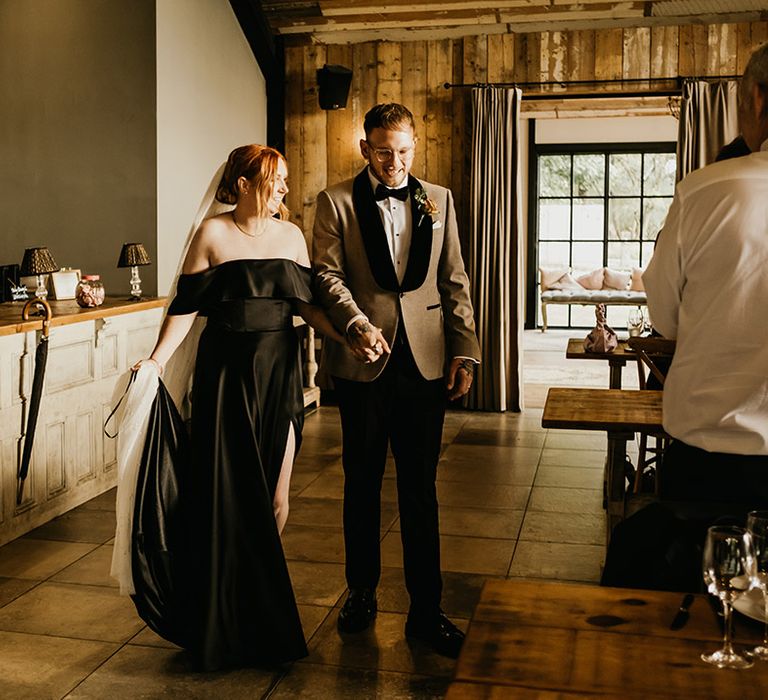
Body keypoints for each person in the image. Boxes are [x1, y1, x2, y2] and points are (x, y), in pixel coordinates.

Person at [129, 144, 344, 670]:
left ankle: (254, 611)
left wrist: (350, 335)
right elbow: (184, 309)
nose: (285, 189)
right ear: (244, 183)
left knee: (275, 498)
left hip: (279, 378)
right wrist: (156, 362)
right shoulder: (213, 234)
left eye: (287, 180)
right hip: (225, 379)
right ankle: (226, 625)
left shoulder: (291, 237)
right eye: (276, 179)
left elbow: (306, 306)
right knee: (226, 501)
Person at [312, 103, 481, 658]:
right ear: (365, 147)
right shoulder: (335, 201)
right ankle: (360, 593)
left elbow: (453, 278)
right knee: (361, 483)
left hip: (427, 360)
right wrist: (355, 322)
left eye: (404, 151)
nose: (395, 162)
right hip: (364, 359)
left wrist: (466, 351)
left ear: (415, 145)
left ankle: (426, 611)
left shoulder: (441, 198)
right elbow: (327, 275)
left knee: (420, 488)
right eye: (384, 151)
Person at [644, 41, 768, 510]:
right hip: (715, 453)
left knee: (698, 576)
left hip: (714, 456)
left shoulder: (705, 192)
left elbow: (665, 319)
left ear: (756, 98)